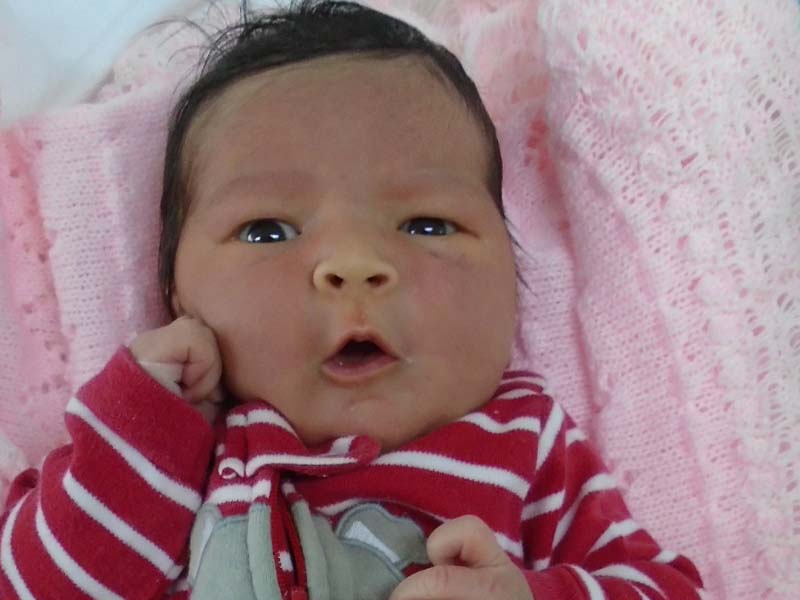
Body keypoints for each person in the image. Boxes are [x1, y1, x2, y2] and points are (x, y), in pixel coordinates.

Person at [0, 1, 705, 598]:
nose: (355, 265)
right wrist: (140, 426)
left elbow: (668, 587)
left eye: (427, 225)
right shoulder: (174, 450)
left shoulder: (527, 440)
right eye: (267, 231)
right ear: (178, 296)